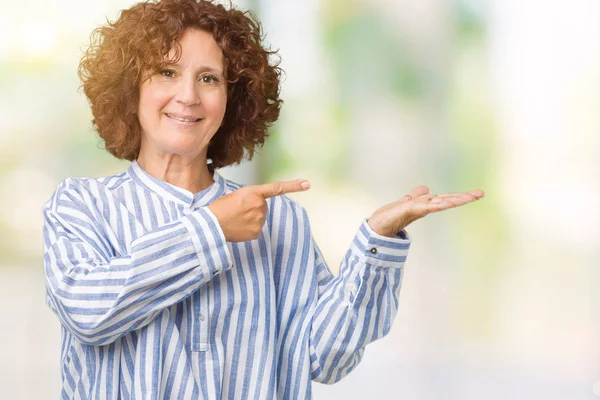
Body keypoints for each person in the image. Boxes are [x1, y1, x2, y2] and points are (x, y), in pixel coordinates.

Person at [42, 0, 484, 398]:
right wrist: (212, 229)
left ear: (232, 99)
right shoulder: (81, 206)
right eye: (167, 72)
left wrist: (377, 241)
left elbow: (323, 360)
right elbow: (90, 312)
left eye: (209, 78)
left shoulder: (280, 221)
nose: (188, 96)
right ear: (129, 88)